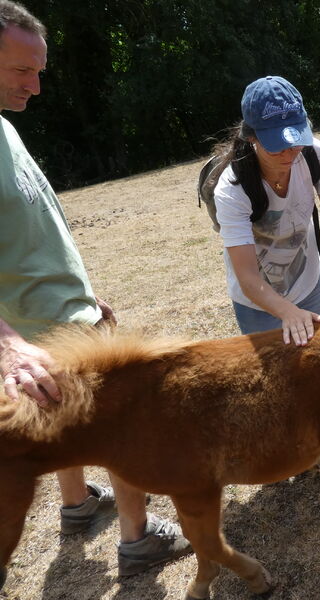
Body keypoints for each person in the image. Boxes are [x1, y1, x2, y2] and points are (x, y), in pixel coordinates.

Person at [0, 0, 190, 576]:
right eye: (21, 71)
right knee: (128, 421)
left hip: (55, 313)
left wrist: (83, 292)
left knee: (69, 415)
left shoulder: (4, 126)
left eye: (39, 72)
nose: (34, 87)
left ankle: (78, 506)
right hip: (30, 332)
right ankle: (138, 540)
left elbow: (34, 227)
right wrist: (6, 344)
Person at [213, 76, 320, 344]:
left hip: (308, 282)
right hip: (256, 301)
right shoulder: (232, 189)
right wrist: (289, 313)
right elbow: (246, 276)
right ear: (251, 137)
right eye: (276, 147)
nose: (290, 154)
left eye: (296, 142)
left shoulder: (315, 154)